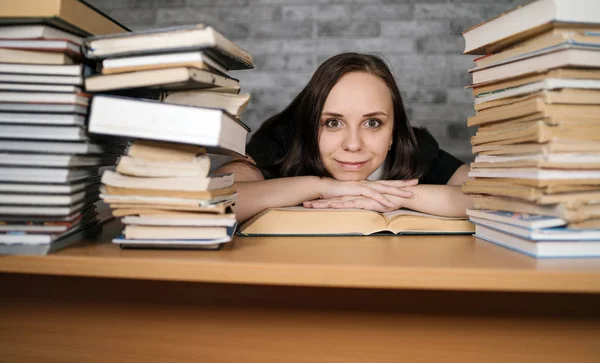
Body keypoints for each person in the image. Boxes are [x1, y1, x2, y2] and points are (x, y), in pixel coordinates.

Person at [215, 52, 472, 222]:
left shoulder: (414, 147)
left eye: (372, 123)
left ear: (393, 133)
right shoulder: (281, 140)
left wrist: (390, 196)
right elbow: (211, 199)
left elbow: (492, 196)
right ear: (309, 127)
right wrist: (322, 187)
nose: (352, 144)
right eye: (333, 123)